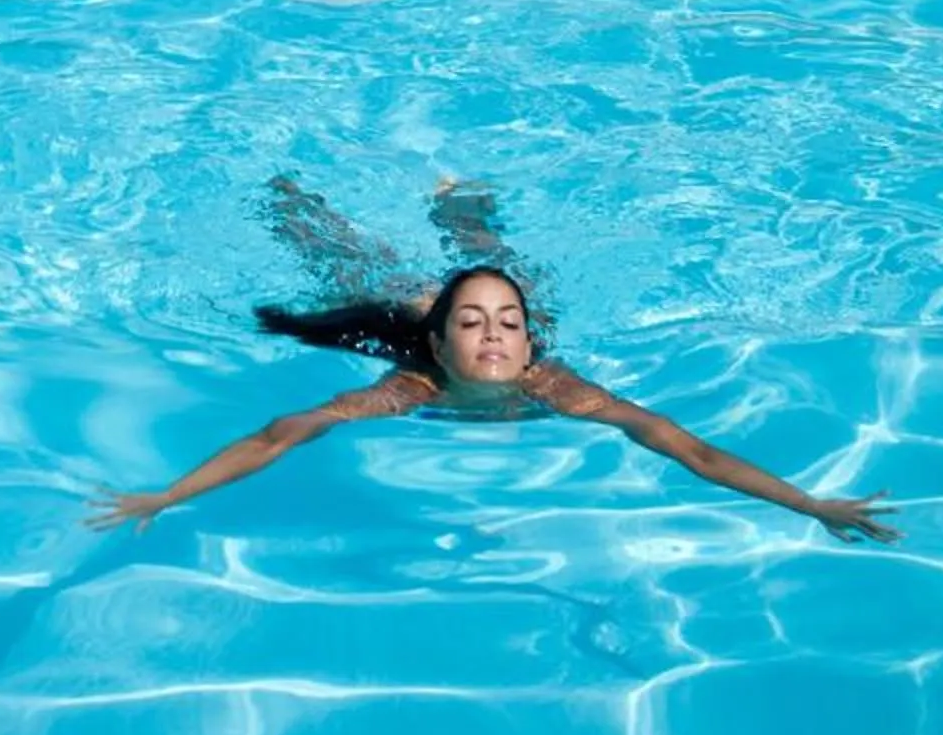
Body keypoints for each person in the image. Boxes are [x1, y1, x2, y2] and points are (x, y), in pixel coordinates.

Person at [85, 177, 900, 544]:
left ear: (527, 341)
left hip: (448, 315)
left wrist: (811, 506)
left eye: (507, 327)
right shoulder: (411, 381)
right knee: (354, 271)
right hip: (406, 319)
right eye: (474, 325)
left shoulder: (558, 387)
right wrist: (169, 494)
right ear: (444, 344)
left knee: (495, 264)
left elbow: (691, 451)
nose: (494, 338)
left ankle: (465, 214)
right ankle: (297, 205)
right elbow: (281, 433)